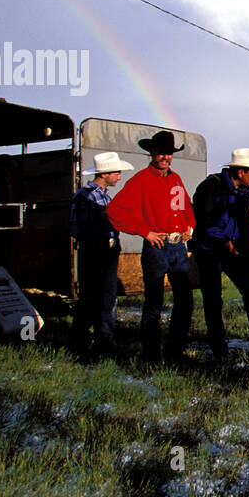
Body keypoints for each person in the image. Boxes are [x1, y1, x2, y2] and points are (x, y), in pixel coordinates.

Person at [106, 130, 196, 364]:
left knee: (185, 301)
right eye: (161, 153)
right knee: (154, 302)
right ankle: (150, 355)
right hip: (156, 248)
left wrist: (190, 228)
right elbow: (114, 211)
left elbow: (187, 207)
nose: (165, 157)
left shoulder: (176, 179)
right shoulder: (140, 180)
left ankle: (175, 351)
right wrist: (144, 231)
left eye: (169, 153)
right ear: (152, 153)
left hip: (178, 247)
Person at [191, 147, 249, 360]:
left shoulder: (242, 194)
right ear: (240, 172)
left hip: (235, 252)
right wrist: (224, 242)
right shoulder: (210, 187)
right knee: (213, 298)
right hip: (209, 251)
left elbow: (246, 225)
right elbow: (204, 221)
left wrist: (248, 253)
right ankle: (218, 345)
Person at [69, 151, 133, 356]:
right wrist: (96, 240)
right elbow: (76, 227)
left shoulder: (105, 195)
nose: (119, 177)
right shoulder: (85, 196)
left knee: (106, 297)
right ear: (105, 173)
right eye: (116, 172)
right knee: (91, 297)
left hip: (108, 251)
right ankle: (84, 342)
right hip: (95, 251)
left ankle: (102, 340)